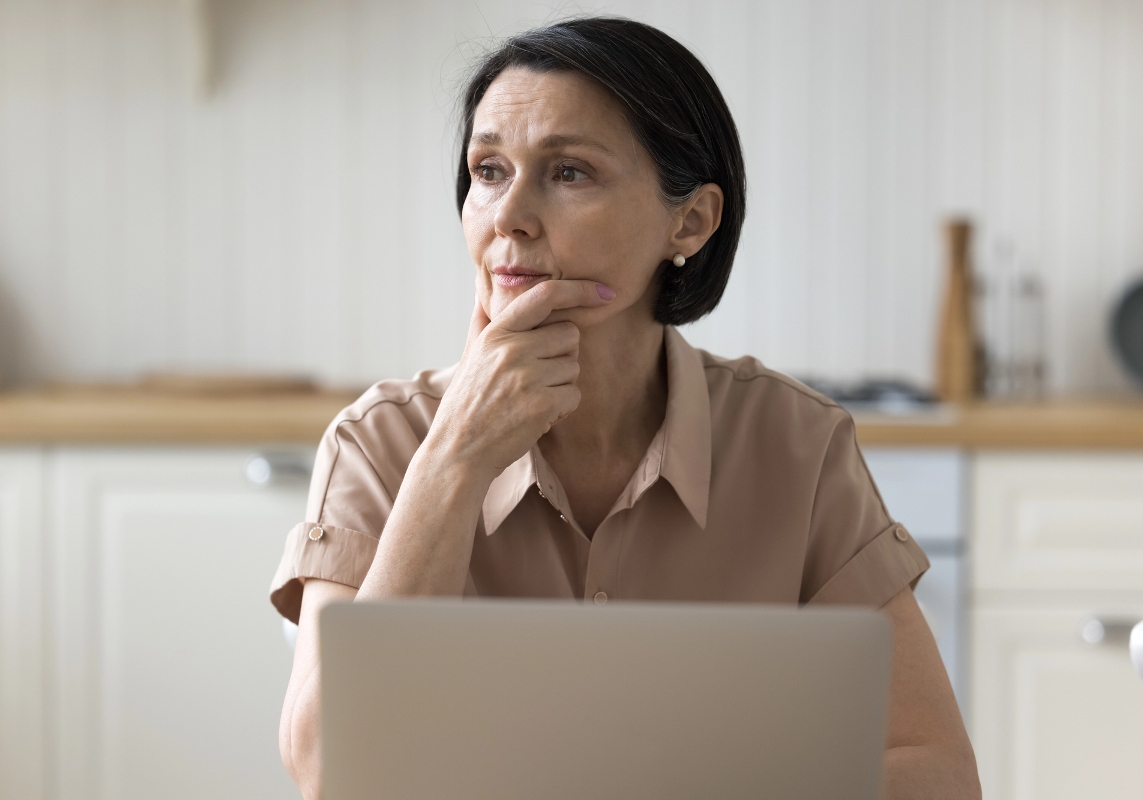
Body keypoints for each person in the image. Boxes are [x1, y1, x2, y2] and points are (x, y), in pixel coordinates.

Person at [270, 16, 980, 800]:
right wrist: (457, 455)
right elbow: (330, 774)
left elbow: (939, 772)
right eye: (489, 169)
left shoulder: (797, 445)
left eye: (569, 172)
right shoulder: (381, 443)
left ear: (692, 221)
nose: (509, 216)